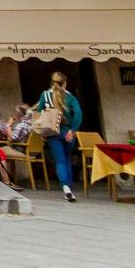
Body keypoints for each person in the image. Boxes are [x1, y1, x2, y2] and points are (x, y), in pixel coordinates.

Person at [34, 71, 81, 202]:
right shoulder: (70, 98)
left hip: (53, 132)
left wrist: (42, 131)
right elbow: (78, 114)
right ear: (64, 83)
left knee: (59, 160)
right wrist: (73, 130)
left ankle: (65, 188)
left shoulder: (45, 95)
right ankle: (70, 186)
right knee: (67, 159)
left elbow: (39, 112)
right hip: (67, 132)